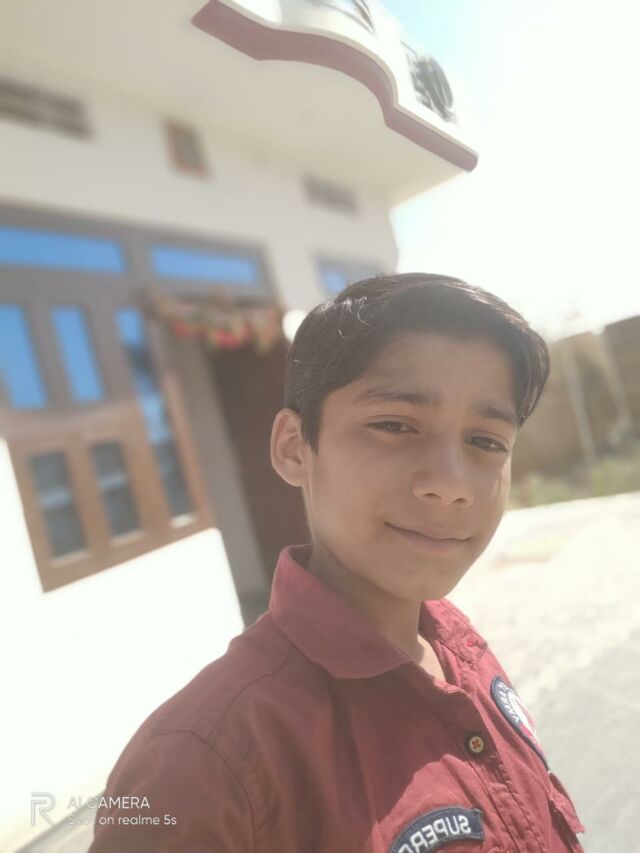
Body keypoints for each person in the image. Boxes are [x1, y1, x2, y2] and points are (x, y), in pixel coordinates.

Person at [89, 273, 585, 852]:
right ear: (294, 447)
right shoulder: (202, 769)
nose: (451, 484)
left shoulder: (459, 648)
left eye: (486, 441)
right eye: (394, 425)